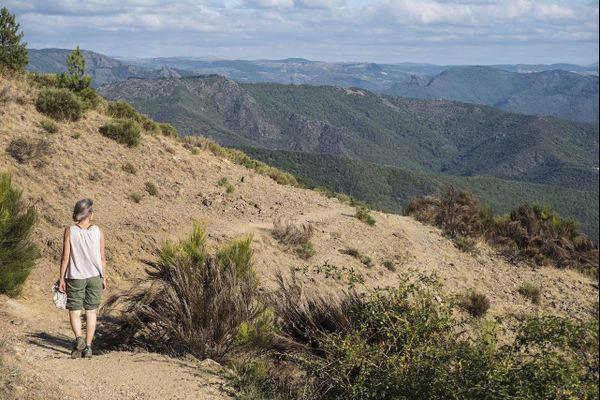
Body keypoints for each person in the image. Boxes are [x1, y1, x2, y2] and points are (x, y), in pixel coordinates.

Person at [58, 198, 107, 359]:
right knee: (91, 312)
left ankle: (79, 338)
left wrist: (62, 279)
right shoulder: (98, 231)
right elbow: (102, 257)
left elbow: (65, 257)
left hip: (76, 276)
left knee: (74, 311)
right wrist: (104, 277)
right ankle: (88, 347)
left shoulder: (70, 230)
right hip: (94, 276)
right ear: (89, 213)